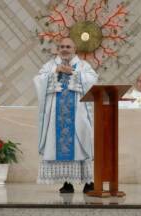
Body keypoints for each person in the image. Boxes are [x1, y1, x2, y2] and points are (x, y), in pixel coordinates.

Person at [34, 37, 98, 193]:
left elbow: (93, 80)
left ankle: (88, 182)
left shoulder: (83, 66)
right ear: (58, 49)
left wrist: (74, 73)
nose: (64, 49)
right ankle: (67, 182)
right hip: (57, 116)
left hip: (78, 114)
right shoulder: (50, 65)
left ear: (74, 49)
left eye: (68, 46)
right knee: (60, 145)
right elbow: (38, 80)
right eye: (61, 46)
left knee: (81, 145)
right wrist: (55, 72)